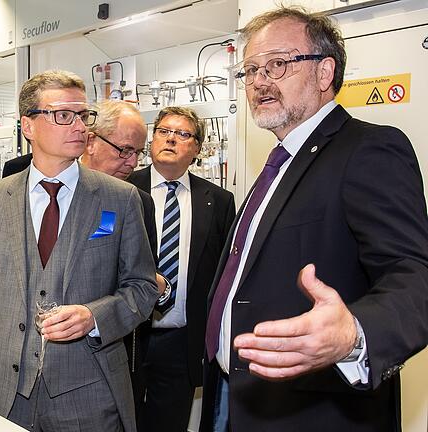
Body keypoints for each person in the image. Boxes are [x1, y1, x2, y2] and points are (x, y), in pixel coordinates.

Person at [201, 7, 428, 431]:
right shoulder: (279, 163)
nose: (259, 82)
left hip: (312, 413)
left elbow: (415, 273)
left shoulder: (368, 150)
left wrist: (356, 334)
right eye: (250, 70)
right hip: (236, 397)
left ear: (325, 73)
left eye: (278, 64)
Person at [0, 70, 159, 432]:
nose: (79, 126)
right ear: (28, 125)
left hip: (89, 396)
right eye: (62, 115)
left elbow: (143, 287)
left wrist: (94, 316)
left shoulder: (119, 199)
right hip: (6, 395)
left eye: (83, 116)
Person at [126, 107, 235, 432]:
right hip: (128, 337)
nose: (171, 138)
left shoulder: (217, 200)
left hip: (182, 341)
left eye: (183, 133)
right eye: (163, 131)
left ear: (197, 149)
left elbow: (224, 274)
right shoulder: (123, 189)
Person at [81, 99, 160, 416]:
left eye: (139, 153)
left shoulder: (136, 202)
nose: (132, 162)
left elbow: (139, 280)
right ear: (91, 141)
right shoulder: (45, 187)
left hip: (111, 347)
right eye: (124, 150)